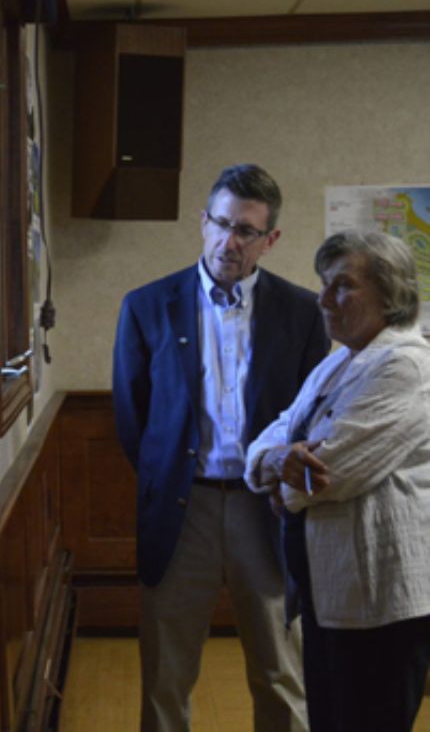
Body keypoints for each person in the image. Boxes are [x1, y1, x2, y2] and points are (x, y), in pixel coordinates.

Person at [113, 163, 330, 732]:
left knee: (281, 672)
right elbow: (134, 421)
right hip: (184, 512)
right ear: (201, 222)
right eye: (221, 223)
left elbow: (314, 416)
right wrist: (174, 477)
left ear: (270, 240)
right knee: (166, 672)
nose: (229, 242)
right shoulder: (146, 306)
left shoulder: (305, 312)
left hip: (269, 509)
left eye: (246, 231)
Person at [246, 231, 430, 732]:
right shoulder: (341, 359)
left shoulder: (407, 365)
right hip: (331, 592)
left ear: (390, 294)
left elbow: (333, 474)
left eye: (343, 286)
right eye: (324, 284)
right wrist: (274, 461)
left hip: (379, 601)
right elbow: (275, 434)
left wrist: (281, 484)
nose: (324, 299)